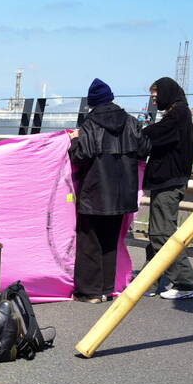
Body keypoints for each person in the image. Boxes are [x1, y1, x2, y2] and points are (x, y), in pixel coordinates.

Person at [68, 78, 151, 303]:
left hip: (94, 193)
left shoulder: (89, 125)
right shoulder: (132, 122)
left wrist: (75, 141)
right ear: (111, 98)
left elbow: (80, 156)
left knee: (89, 243)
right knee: (110, 242)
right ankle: (106, 289)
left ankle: (89, 292)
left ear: (92, 102)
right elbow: (144, 149)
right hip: (123, 194)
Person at [141, 77, 193, 299]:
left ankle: (186, 283)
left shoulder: (178, 114)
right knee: (157, 232)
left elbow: (154, 134)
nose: (154, 101)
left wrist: (134, 133)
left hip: (170, 181)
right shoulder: (177, 113)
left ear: (166, 93)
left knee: (162, 233)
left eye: (156, 97)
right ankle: (148, 282)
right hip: (167, 181)